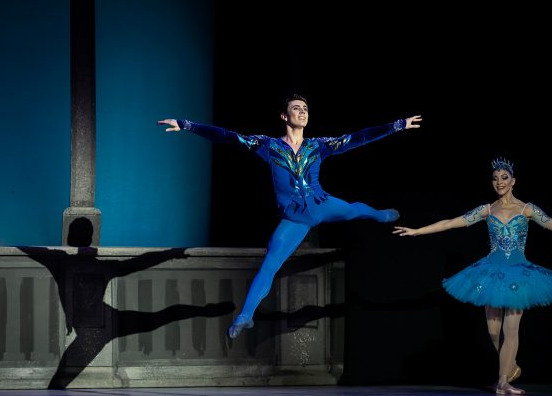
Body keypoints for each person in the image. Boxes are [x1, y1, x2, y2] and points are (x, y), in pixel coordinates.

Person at [158, 94, 422, 338]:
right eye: (296, 108)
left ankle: (378, 215)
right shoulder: (268, 146)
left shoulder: (318, 146)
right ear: (284, 116)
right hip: (295, 219)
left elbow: (358, 138)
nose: (302, 111)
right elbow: (228, 136)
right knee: (270, 263)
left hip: (322, 204)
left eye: (305, 108)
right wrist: (187, 125)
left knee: (353, 210)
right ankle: (245, 316)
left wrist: (397, 125)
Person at [393, 157, 552, 395]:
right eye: (495, 178)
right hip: (490, 273)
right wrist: (417, 231)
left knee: (511, 330)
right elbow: (450, 222)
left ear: (513, 181)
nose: (499, 182)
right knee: (493, 332)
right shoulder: (487, 210)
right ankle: (510, 367)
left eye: (504, 177)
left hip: (519, 274)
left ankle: (502, 381)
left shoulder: (527, 209)